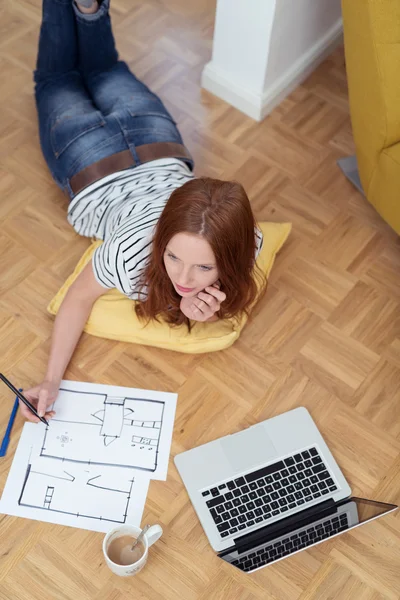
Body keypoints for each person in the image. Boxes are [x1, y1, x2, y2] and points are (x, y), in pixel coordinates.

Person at [20, 0, 265, 423]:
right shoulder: (130, 253)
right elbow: (78, 299)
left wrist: (184, 310)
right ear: (163, 234)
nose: (183, 279)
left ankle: (89, 10)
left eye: (202, 268)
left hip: (155, 140)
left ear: (230, 253)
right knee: (59, 78)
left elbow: (198, 295)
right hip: (92, 162)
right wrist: (52, 380)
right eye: (172, 257)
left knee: (103, 71)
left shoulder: (248, 240)